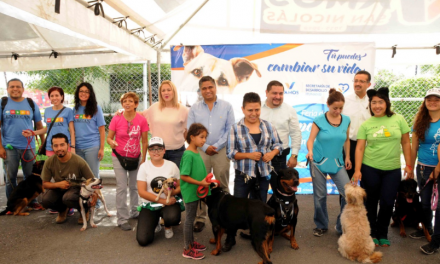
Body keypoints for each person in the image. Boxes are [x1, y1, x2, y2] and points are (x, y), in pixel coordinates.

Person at [353, 87, 412, 247]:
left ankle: (383, 232)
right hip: (370, 167)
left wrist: (409, 165)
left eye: (380, 102)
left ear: (387, 103)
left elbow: (406, 142)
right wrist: (357, 170)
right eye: (374, 103)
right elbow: (359, 148)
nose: (377, 106)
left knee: (387, 202)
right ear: (370, 105)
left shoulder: (399, 119)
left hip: (392, 169)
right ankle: (372, 233)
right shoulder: (366, 124)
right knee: (370, 202)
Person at [187, 76, 235, 233]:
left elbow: (230, 129)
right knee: (201, 185)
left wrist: (216, 145)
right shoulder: (194, 108)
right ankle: (200, 218)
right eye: (204, 88)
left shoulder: (226, 106)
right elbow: (191, 131)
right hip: (201, 151)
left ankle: (226, 216)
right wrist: (206, 146)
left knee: (222, 184)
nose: (208, 90)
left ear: (215, 88)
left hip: (221, 151)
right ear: (200, 91)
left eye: (210, 87)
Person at [306, 88, 351, 237]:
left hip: (337, 163)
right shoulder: (319, 120)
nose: (338, 111)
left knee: (348, 194)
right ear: (327, 105)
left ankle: (340, 225)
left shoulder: (346, 120)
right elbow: (310, 140)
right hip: (318, 162)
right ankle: (321, 225)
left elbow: (347, 140)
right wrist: (310, 151)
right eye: (334, 108)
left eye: (340, 108)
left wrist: (347, 157)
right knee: (320, 196)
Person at [227, 92, 282, 202]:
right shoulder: (235, 128)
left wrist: (272, 154)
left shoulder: (268, 126)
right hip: (243, 175)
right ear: (243, 109)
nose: (254, 113)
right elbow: (230, 153)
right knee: (239, 207)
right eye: (250, 110)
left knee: (260, 209)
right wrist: (249, 155)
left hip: (263, 174)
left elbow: (279, 145)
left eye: (257, 110)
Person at [0, 78, 45, 210]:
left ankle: (32, 201)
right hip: (9, 148)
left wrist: (42, 142)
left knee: (31, 177)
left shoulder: (30, 103)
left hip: (29, 147)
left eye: (18, 87)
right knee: (10, 178)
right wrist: (0, 147)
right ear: (7, 89)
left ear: (22, 89)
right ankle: (12, 205)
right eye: (12, 87)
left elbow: (38, 124)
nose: (15, 89)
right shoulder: (3, 103)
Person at [107, 92, 149, 231]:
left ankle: (135, 212)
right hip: (118, 156)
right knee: (121, 187)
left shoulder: (141, 120)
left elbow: (144, 141)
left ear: (136, 104)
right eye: (125, 101)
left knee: (134, 186)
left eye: (131, 101)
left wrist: (143, 159)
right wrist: (112, 142)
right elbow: (109, 138)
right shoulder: (117, 118)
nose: (127, 103)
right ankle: (122, 218)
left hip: (135, 157)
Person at [38, 133, 95, 224]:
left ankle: (84, 211)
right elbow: (45, 184)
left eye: (62, 145)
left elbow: (93, 180)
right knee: (43, 199)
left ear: (68, 146)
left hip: (76, 189)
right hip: (59, 188)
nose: (59, 148)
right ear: (52, 147)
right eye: (56, 146)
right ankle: (62, 210)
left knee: (68, 197)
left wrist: (94, 196)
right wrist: (57, 184)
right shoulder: (49, 162)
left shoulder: (79, 161)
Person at [136, 137, 181, 246]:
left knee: (173, 217)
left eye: (159, 149)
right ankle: (155, 221)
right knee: (143, 240)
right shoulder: (144, 167)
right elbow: (142, 192)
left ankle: (167, 225)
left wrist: (172, 193)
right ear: (149, 152)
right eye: (152, 149)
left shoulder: (172, 166)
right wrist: (162, 201)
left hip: (168, 202)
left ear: (164, 150)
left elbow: (180, 186)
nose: (156, 152)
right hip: (150, 203)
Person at [409, 87, 440, 239]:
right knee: (425, 203)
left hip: (439, 167)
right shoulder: (420, 121)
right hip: (423, 167)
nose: (432, 102)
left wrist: (438, 168)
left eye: (436, 100)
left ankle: (437, 235)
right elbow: (414, 147)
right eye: (429, 99)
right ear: (425, 102)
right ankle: (428, 229)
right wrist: (409, 166)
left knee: (438, 205)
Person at [180, 123, 211, 260]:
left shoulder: (196, 151)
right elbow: (183, 176)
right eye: (201, 137)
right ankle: (187, 249)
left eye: (205, 137)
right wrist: (201, 183)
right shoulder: (188, 154)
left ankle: (192, 243)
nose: (204, 140)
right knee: (189, 220)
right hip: (191, 192)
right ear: (192, 137)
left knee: (191, 219)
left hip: (197, 191)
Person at [143, 80, 188, 168]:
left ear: (174, 92)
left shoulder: (183, 110)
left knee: (175, 180)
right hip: (157, 151)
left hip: (177, 152)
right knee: (158, 180)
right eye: (163, 90)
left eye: (168, 90)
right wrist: (123, 111)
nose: (166, 93)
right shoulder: (154, 107)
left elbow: (186, 131)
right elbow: (140, 115)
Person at [260, 80, 301, 172]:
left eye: (281, 94)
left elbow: (296, 133)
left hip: (280, 158)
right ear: (266, 93)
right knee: (259, 186)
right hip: (258, 156)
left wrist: (294, 155)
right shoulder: (257, 108)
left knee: (279, 186)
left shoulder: (289, 110)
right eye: (274, 93)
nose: (278, 97)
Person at [23, 86, 75, 157]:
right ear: (49, 97)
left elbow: (72, 131)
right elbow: (47, 128)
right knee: (52, 167)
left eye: (57, 95)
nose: (54, 98)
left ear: (62, 97)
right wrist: (32, 133)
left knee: (66, 167)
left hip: (64, 145)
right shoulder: (47, 111)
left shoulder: (68, 111)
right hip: (51, 145)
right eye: (52, 96)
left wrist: (72, 147)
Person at [73, 82, 106, 187]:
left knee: (93, 176)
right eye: (81, 91)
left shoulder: (96, 108)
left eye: (87, 92)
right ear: (78, 93)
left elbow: (102, 130)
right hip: (78, 147)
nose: (83, 93)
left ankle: (96, 203)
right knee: (81, 176)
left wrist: (101, 148)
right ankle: (84, 201)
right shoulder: (75, 109)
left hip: (92, 146)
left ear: (90, 94)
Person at [342, 70, 372, 179]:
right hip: (349, 145)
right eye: (356, 81)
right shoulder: (345, 100)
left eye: (362, 81)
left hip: (369, 145)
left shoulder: (374, 101)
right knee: (347, 182)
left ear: (369, 84)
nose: (357, 84)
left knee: (368, 180)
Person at [419, 144, 440, 255]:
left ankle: (434, 241)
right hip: (426, 166)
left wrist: (437, 168)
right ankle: (433, 238)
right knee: (428, 204)